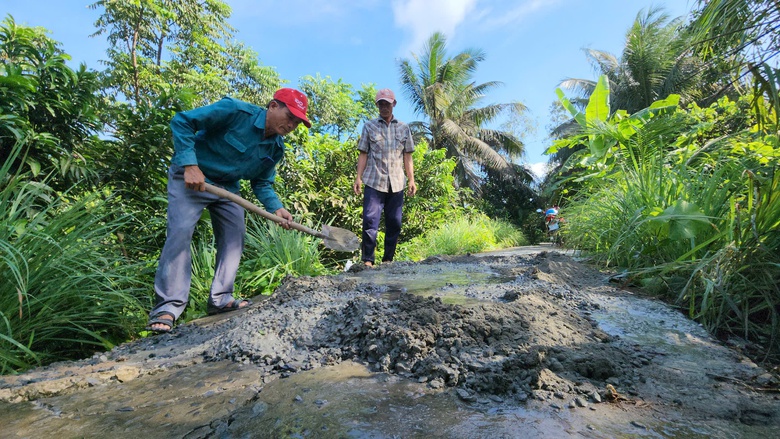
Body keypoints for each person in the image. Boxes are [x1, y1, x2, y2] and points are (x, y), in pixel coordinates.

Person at [146, 88, 312, 333]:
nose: (292, 124)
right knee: (180, 233)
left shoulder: (276, 148)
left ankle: (221, 299)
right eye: (290, 116)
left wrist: (277, 208)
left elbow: (262, 182)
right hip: (192, 179)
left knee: (235, 235)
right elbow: (182, 121)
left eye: (297, 122)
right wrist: (190, 165)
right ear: (273, 106)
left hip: (228, 189)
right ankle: (167, 307)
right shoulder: (234, 111)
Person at [352, 88, 417, 267]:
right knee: (370, 221)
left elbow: (408, 156)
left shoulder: (404, 128)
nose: (384, 107)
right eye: (381, 104)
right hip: (374, 181)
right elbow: (363, 153)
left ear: (393, 104)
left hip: (397, 183)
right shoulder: (369, 126)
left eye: (387, 104)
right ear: (377, 105)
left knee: (394, 223)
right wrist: (358, 177)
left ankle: (388, 260)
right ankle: (368, 260)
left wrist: (411, 180)